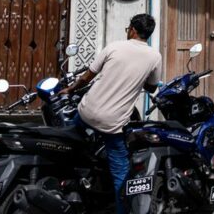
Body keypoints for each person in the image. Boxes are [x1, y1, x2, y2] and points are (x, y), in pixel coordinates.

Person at [61, 14, 161, 214]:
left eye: (128, 28)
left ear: (132, 29)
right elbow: (152, 87)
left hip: (87, 111)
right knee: (120, 173)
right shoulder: (154, 56)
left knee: (69, 142)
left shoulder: (113, 47)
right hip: (112, 123)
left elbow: (87, 76)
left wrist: (70, 89)